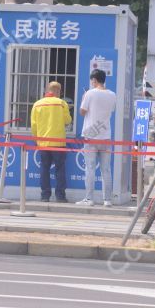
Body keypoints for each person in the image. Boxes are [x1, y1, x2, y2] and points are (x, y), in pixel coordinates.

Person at [77, 69, 117, 206]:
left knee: (90, 168)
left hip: (90, 135)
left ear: (94, 80)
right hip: (105, 136)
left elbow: (82, 112)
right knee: (106, 169)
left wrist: (83, 98)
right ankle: (107, 200)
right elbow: (110, 111)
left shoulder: (89, 94)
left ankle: (89, 198)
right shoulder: (112, 95)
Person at [30, 81, 72, 203]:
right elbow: (68, 120)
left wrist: (37, 139)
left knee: (44, 168)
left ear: (47, 90)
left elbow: (34, 125)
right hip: (58, 143)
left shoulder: (37, 104)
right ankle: (60, 196)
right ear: (58, 91)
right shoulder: (61, 103)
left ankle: (45, 196)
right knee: (60, 169)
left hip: (43, 143)